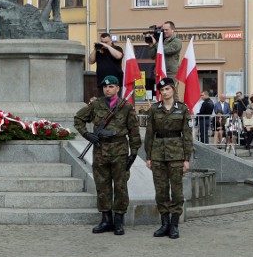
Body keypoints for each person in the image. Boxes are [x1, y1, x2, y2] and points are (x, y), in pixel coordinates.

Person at [74, 75, 140, 236]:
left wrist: (134, 152)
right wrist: (87, 134)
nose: (107, 89)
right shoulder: (96, 105)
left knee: (120, 186)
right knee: (102, 185)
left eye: (111, 86)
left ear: (117, 88)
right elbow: (78, 119)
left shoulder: (126, 107)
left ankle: (118, 220)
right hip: (101, 149)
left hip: (119, 150)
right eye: (105, 87)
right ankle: (106, 219)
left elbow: (134, 131)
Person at [144, 77, 192, 239]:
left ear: (173, 89)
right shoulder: (154, 109)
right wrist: (148, 156)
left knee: (177, 191)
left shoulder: (183, 109)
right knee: (161, 191)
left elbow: (187, 135)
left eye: (167, 89)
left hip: (177, 155)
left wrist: (187, 158)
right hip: (157, 154)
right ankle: (164, 224)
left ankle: (174, 224)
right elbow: (149, 134)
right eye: (162, 90)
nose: (164, 93)